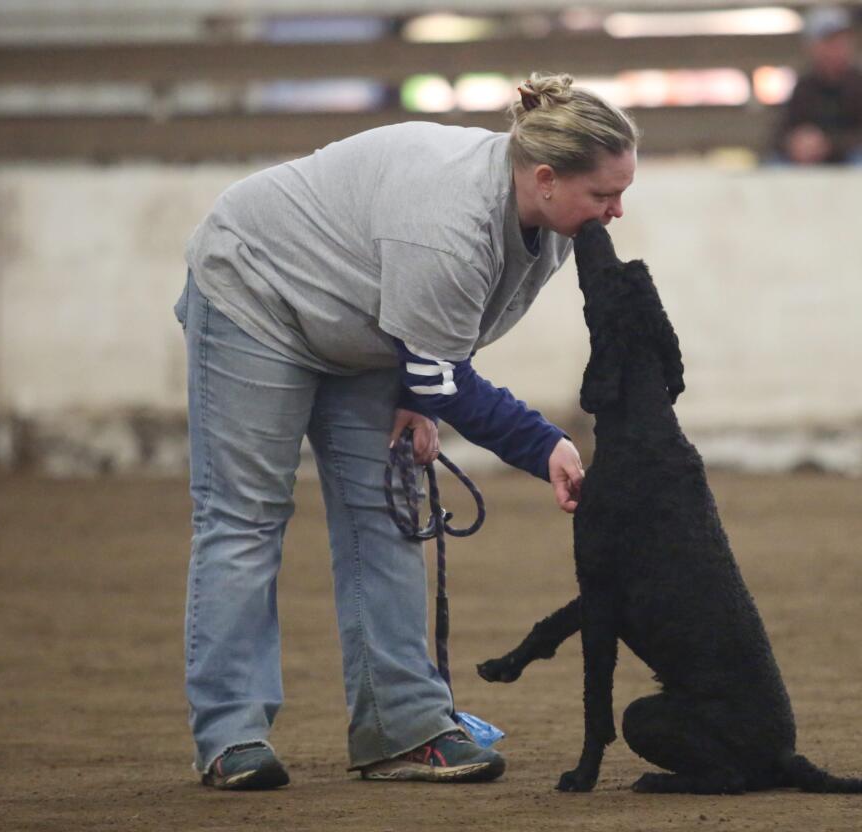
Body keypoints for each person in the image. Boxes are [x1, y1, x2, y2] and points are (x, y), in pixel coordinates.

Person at [173, 70, 637, 790]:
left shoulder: (556, 228)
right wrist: (542, 443)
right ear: (545, 178)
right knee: (246, 515)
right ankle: (231, 736)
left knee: (386, 515)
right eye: (603, 196)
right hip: (256, 293)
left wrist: (421, 396)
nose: (614, 212)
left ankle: (404, 728)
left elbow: (449, 340)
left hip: (361, 319)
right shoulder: (447, 221)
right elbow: (441, 354)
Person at [769, 5, 862, 166]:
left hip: (856, 161)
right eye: (828, 42)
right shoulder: (805, 86)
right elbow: (778, 134)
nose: (836, 48)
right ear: (812, 47)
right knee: (776, 165)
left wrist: (828, 144)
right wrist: (794, 143)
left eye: (841, 41)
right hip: (816, 164)